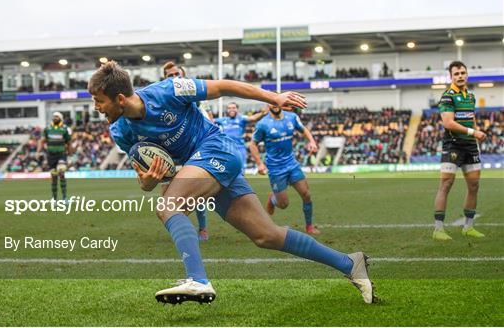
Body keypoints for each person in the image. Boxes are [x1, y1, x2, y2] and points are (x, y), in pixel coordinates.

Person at [88, 61, 375, 305]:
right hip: (201, 168)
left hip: (217, 149)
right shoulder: (121, 132)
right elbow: (145, 182)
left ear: (120, 99)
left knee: (168, 205)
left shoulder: (169, 90)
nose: (96, 107)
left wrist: (273, 97)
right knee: (266, 236)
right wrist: (149, 181)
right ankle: (350, 263)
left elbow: (223, 86)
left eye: (99, 101)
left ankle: (198, 280)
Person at [432, 61, 487, 241]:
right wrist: (474, 132)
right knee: (446, 185)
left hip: (470, 146)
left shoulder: (470, 96)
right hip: (452, 145)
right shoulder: (447, 96)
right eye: (456, 74)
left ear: (467, 74)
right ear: (451, 76)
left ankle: (468, 227)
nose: (460, 76)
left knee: (474, 186)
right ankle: (438, 229)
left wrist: (475, 135)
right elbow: (448, 123)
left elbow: (470, 119)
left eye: (463, 72)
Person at [249, 106, 321, 235]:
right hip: (276, 168)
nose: (275, 105)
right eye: (271, 103)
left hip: (292, 164)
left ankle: (309, 226)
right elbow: (252, 144)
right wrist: (260, 164)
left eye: (276, 102)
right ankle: (273, 199)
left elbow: (303, 129)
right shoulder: (263, 124)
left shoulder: (292, 117)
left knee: (306, 194)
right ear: (268, 106)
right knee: (283, 204)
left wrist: (312, 141)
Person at [162, 61, 210, 240]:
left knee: (194, 191)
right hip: (171, 150)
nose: (174, 79)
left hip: (192, 147)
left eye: (177, 75)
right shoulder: (162, 99)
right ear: (164, 79)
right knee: (166, 194)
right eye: (170, 76)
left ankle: (202, 228)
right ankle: (179, 227)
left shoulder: (192, 95)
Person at [215, 102, 267, 171]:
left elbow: (253, 118)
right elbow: (210, 120)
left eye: (233, 108)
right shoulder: (222, 120)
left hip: (239, 149)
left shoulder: (241, 119)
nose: (231, 110)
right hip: (226, 149)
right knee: (226, 172)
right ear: (227, 110)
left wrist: (262, 113)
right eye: (229, 108)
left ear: (237, 109)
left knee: (240, 172)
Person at [37, 112, 72, 201]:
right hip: (51, 156)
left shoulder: (64, 129)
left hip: (61, 154)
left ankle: (64, 198)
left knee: (61, 172)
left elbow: (68, 143)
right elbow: (42, 141)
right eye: (54, 117)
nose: (55, 118)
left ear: (61, 118)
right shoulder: (47, 129)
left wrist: (70, 155)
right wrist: (38, 152)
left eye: (57, 117)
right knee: (54, 177)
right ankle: (54, 198)